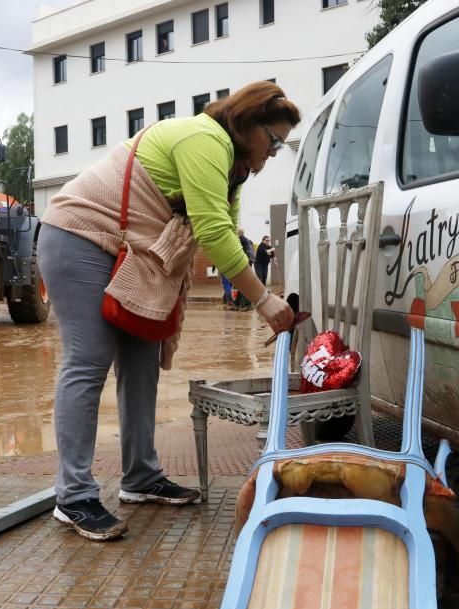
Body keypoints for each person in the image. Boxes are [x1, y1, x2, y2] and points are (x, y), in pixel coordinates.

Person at [37, 81, 300, 541]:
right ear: (247, 124)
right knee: (89, 359)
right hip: (78, 237)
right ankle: (73, 496)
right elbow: (212, 232)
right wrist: (263, 299)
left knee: (142, 362)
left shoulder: (232, 168)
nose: (275, 152)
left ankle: (140, 477)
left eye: (283, 143)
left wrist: (261, 290)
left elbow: (225, 233)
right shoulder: (205, 140)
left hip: (130, 249)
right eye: (273, 140)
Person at [234, 228, 254, 310]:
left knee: (244, 285)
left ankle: (247, 304)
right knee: (241, 285)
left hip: (242, 265)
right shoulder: (248, 241)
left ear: (238, 233)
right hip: (246, 265)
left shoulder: (240, 240)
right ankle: (237, 304)